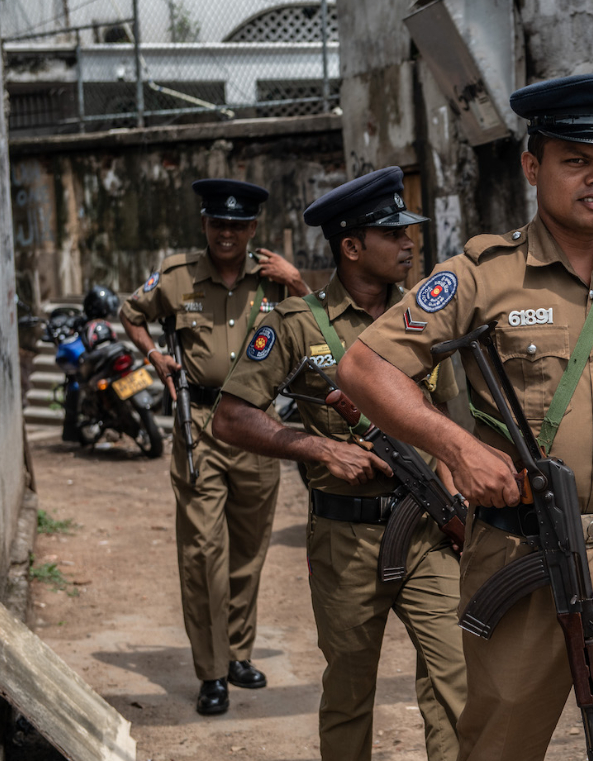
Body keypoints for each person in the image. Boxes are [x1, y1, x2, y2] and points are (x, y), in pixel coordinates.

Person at [335, 73, 593, 761]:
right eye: (576, 161)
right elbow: (365, 368)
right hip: (522, 553)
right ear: (534, 167)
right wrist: (457, 449)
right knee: (500, 745)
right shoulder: (483, 274)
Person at [211, 167, 467, 761]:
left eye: (409, 232)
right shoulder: (296, 324)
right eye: (393, 234)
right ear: (351, 246)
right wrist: (318, 446)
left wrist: (459, 514)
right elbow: (230, 416)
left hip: (428, 528)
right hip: (347, 540)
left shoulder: (424, 317)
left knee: (457, 681)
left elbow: (447, 424)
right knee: (351, 690)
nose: (409, 243)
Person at [118, 178, 309, 716]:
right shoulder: (178, 277)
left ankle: (239, 653)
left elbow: (320, 323)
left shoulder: (274, 280)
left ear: (253, 229)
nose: (227, 233)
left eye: (238, 225)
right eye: (218, 223)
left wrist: (296, 281)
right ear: (205, 224)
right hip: (198, 424)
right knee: (204, 552)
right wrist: (154, 355)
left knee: (249, 550)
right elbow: (132, 313)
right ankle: (211, 671)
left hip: (258, 426)